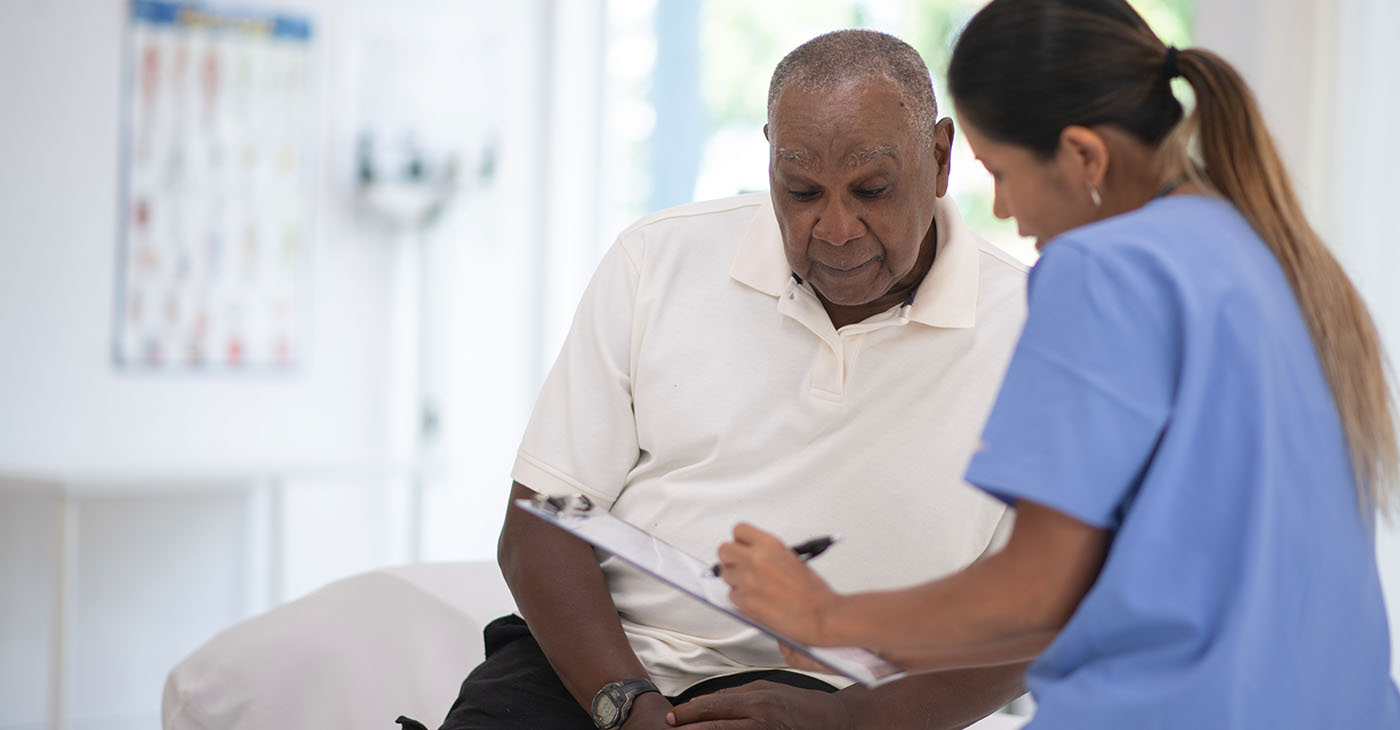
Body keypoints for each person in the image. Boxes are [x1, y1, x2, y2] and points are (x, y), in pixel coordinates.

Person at [715, 1, 1400, 728]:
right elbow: (1109, 594)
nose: (1006, 212)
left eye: (1002, 173)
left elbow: (1040, 585)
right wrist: (877, 640)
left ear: (1084, 156)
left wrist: (822, 613)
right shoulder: (1265, 253)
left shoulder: (1104, 268)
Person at [423, 29, 1034, 730]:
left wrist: (847, 723)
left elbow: (1041, 610)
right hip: (609, 675)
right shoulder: (656, 259)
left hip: (845, 706)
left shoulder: (1033, 329)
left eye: (872, 189)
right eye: (800, 189)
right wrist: (625, 703)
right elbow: (540, 526)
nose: (835, 229)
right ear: (769, 152)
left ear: (939, 156)